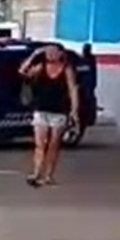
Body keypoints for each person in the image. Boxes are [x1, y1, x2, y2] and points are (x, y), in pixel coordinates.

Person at [20, 44, 79, 187]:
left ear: (60, 54)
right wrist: (34, 55)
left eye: (53, 51)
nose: (50, 54)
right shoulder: (41, 67)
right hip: (41, 110)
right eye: (47, 51)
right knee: (40, 144)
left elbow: (72, 89)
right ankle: (36, 173)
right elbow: (23, 72)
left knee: (53, 145)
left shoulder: (66, 69)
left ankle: (48, 175)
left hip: (59, 112)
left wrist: (74, 110)